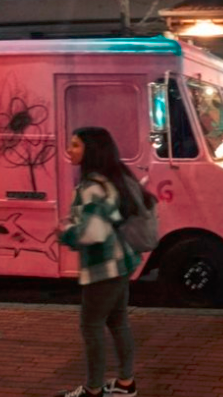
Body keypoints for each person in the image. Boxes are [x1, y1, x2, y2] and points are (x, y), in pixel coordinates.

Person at [55, 126, 155, 397]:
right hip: (122, 262)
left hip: (104, 268)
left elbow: (93, 232)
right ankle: (125, 383)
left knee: (91, 327)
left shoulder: (91, 187)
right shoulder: (112, 179)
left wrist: (65, 232)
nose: (69, 150)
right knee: (117, 321)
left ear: (91, 150)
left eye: (75, 145)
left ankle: (94, 390)